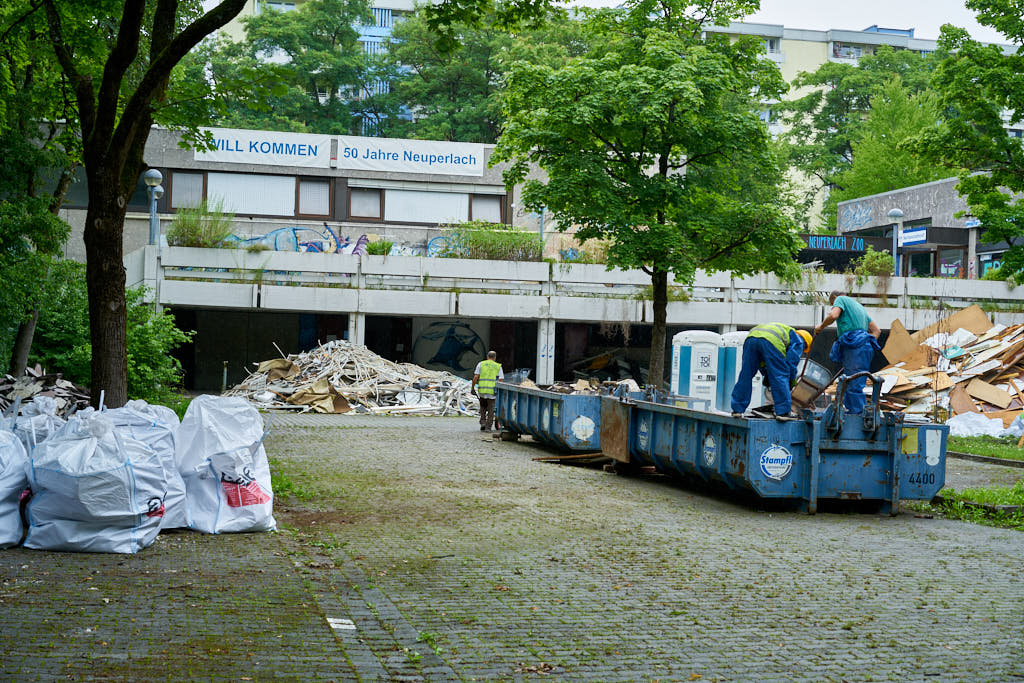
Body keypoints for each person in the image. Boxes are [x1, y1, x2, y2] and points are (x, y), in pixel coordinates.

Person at [814, 290, 882, 414]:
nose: (834, 306)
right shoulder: (859, 307)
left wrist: (821, 327)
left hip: (854, 344)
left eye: (832, 304)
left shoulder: (841, 299)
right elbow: (877, 331)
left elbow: (833, 316)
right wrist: (865, 341)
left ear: (834, 298)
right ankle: (852, 410)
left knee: (853, 382)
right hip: (864, 347)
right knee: (854, 381)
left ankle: (856, 415)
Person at [731, 324, 812, 420]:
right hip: (770, 341)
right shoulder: (799, 341)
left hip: (751, 338)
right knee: (780, 375)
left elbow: (762, 362)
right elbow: (791, 364)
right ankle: (783, 412)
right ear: (806, 343)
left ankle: (737, 409)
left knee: (746, 374)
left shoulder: (784, 331)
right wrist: (792, 382)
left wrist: (767, 374)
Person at [471, 350, 504, 431]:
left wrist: (472, 388)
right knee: (491, 409)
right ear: (495, 357)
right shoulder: (498, 366)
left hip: (482, 390)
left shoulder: (481, 364)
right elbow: (500, 380)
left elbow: (475, 377)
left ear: (487, 356)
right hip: (492, 392)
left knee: (482, 407)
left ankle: (482, 423)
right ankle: (488, 428)